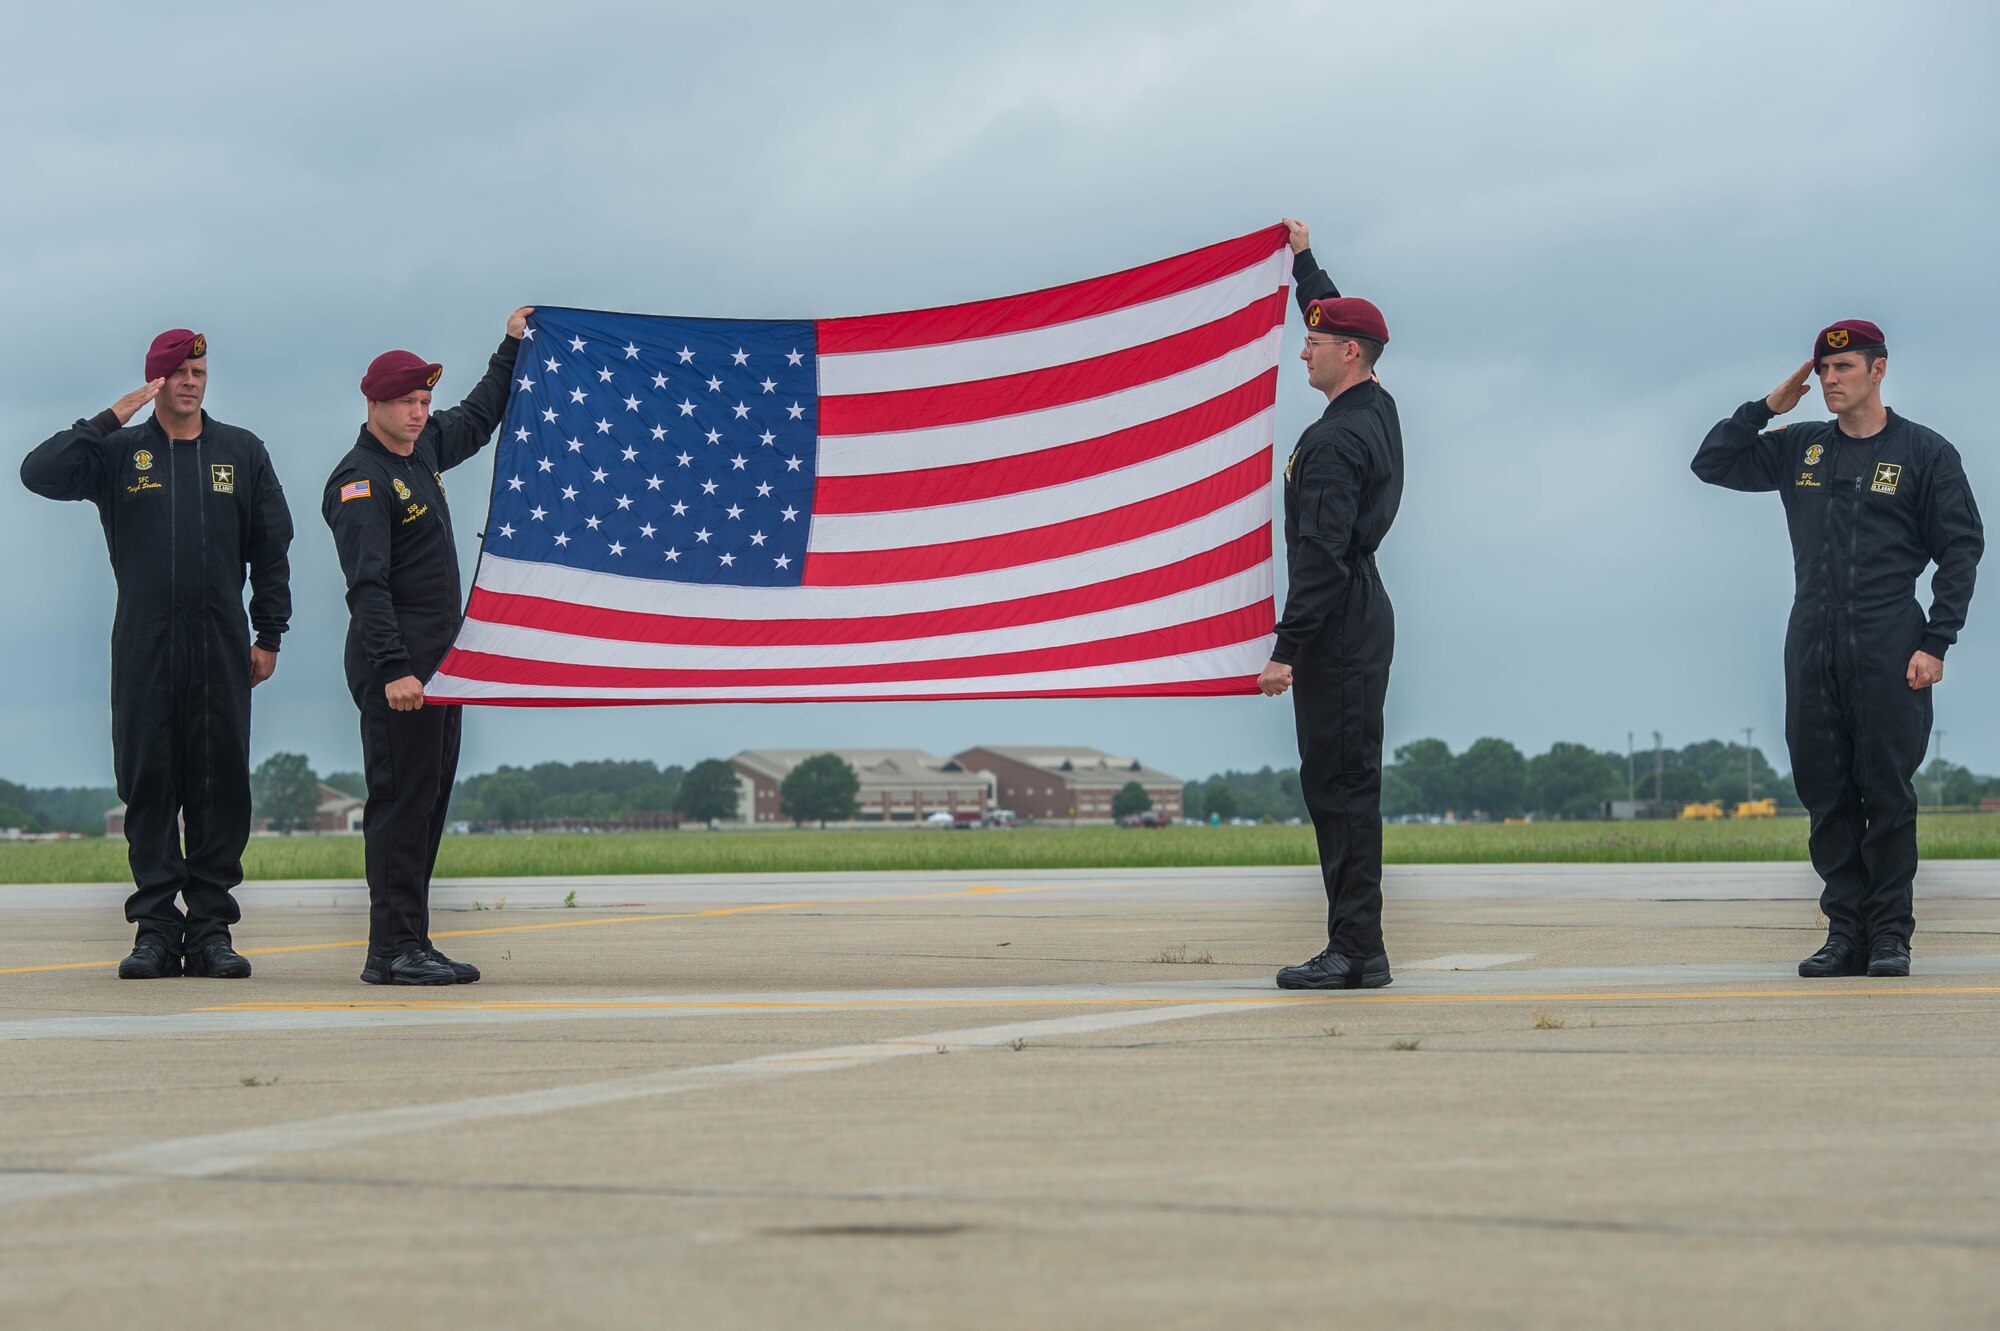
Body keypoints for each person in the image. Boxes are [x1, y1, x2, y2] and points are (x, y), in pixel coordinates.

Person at [1694, 321, 1981, 978]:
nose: (1829, 380)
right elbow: (1712, 463)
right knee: (1824, 792)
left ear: (1879, 370)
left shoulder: (1923, 452)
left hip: (1890, 642)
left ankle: (1889, 936)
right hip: (1812, 640)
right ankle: (1844, 933)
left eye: (1844, 367)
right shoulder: (1801, 449)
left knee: (1884, 791)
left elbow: (1961, 548)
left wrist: (1937, 639)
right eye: (1823, 370)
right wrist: (1767, 408)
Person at [21, 330, 292, 979]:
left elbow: (271, 547)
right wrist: (113, 414)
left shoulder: (241, 451)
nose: (190, 381)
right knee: (148, 786)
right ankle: (155, 929)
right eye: (176, 373)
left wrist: (269, 633)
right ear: (155, 383)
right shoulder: (118, 453)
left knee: (218, 786)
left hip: (223, 646)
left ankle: (209, 931)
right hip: (145, 644)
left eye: (198, 370)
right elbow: (39, 472)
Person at [323, 308, 531, 985]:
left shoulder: (425, 449)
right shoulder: (361, 480)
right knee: (400, 806)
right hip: (402, 675)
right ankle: (389, 950)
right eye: (406, 402)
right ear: (373, 402)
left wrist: (511, 346)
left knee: (429, 807)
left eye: (422, 401)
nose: (418, 412)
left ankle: (413, 939)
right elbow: (367, 585)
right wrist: (392, 669)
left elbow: (478, 415)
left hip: (441, 669)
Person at [1260, 219, 1403, 990]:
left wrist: (1287, 647)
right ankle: (1357, 942)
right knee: (1343, 787)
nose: (1302, 348)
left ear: (1350, 354)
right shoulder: (1372, 403)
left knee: (1341, 791)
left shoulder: (1336, 443)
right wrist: (1305, 260)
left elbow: (1319, 555)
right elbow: (1335, 313)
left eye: (1315, 342)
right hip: (1357, 613)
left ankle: (1356, 949)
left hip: (1337, 625)